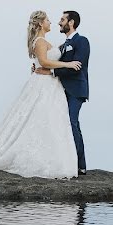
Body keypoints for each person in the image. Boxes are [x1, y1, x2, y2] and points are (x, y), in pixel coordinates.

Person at [0, 11, 81, 178]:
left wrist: (42, 68)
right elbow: (44, 62)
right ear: (41, 23)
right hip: (44, 85)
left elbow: (40, 64)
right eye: (48, 20)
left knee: (51, 121)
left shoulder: (42, 41)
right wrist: (68, 64)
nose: (51, 22)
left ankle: (54, 159)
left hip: (50, 85)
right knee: (43, 119)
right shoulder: (41, 41)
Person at [35, 11, 89, 176]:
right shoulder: (63, 45)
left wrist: (51, 73)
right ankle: (66, 162)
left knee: (72, 122)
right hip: (59, 90)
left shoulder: (82, 41)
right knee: (61, 125)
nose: (59, 22)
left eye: (62, 19)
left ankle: (80, 165)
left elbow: (76, 67)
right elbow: (55, 61)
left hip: (75, 90)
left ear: (71, 22)